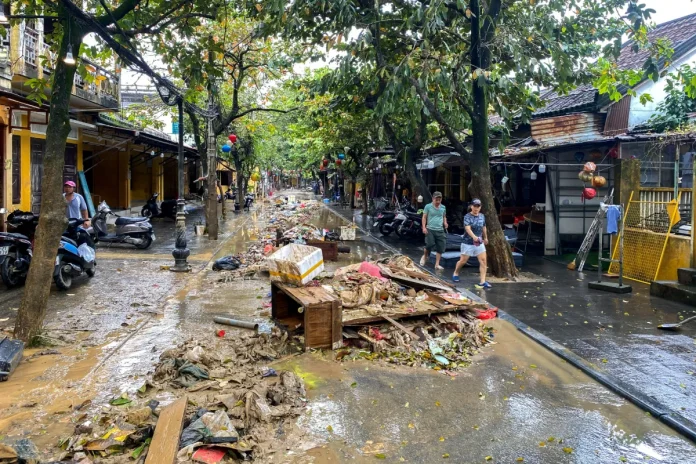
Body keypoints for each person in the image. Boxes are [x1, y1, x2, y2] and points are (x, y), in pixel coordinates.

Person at [452, 198, 491, 289]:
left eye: (478, 206)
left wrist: (485, 237)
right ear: (471, 206)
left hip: (479, 242)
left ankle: (482, 281)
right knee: (463, 261)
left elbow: (484, 227)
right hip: (468, 242)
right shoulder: (467, 216)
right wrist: (474, 237)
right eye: (474, 206)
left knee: (483, 261)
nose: (476, 208)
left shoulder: (482, 216)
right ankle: (456, 272)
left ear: (480, 207)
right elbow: (467, 228)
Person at [420, 191, 448, 270]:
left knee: (440, 247)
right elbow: (424, 217)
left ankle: (437, 264)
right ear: (433, 199)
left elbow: (444, 217)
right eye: (436, 200)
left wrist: (445, 223)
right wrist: (424, 227)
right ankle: (425, 256)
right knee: (429, 244)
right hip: (430, 229)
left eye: (439, 200)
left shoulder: (443, 207)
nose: (438, 201)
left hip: (440, 230)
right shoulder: (428, 206)